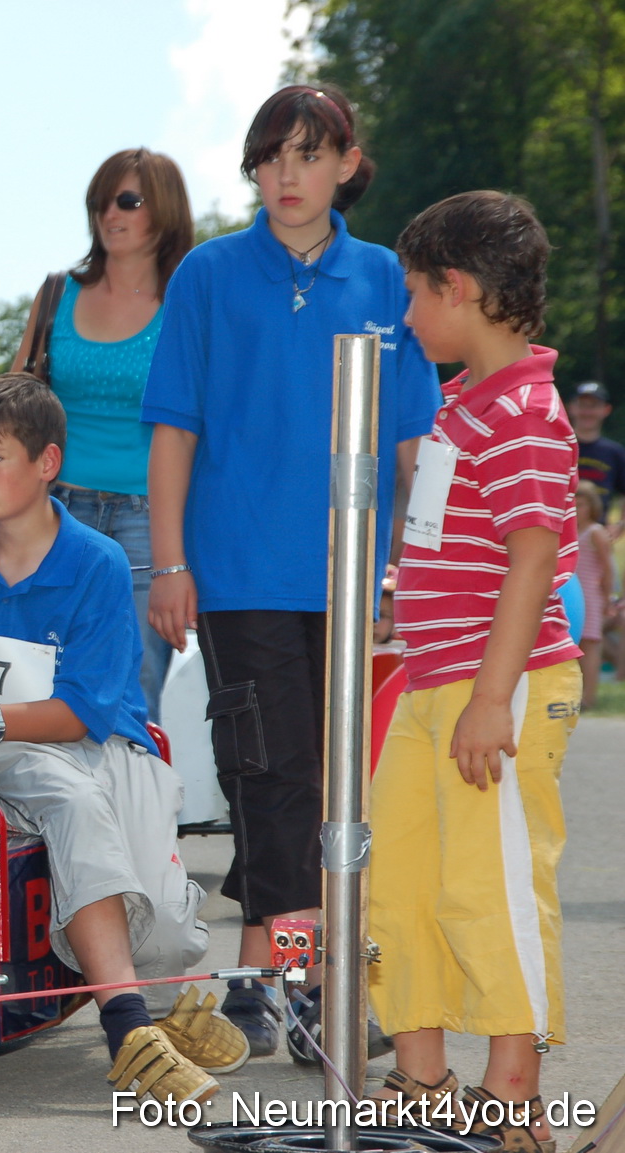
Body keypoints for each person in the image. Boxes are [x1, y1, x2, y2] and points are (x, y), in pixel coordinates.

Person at [142, 84, 441, 1059]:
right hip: (237, 575)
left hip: (353, 579)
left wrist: (422, 568)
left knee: (329, 788)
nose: (287, 174)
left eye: (309, 154)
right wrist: (170, 560)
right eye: (270, 156)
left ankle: (253, 979)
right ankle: (311, 991)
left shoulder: (388, 276)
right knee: (273, 778)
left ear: (348, 164)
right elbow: (172, 429)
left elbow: (416, 441)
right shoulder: (207, 274)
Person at [0, 374, 237, 1103]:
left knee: (165, 928)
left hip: (108, 741)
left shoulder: (98, 560)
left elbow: (85, 712)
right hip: (13, 752)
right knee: (74, 806)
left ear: (47, 462)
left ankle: (163, 999)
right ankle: (130, 1032)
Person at [368, 190, 582, 1153]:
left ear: (456, 287)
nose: (409, 315)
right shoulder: (463, 405)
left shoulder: (526, 414)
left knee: (489, 888)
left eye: (415, 292)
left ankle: (513, 1098)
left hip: (496, 688)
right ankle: (422, 1080)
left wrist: (493, 698)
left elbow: (535, 558)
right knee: (399, 876)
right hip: (432, 682)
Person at [9, 149, 193, 719]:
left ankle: (133, 782)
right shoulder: (57, 294)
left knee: (132, 691)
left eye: (128, 201)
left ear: (165, 208)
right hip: (52, 513)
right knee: (35, 680)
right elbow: (8, 413)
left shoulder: (188, 302)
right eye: (100, 202)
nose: (109, 214)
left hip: (149, 521)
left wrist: (181, 558)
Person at [573, 482, 613, 709]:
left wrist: (607, 598)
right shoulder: (570, 532)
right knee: (575, 644)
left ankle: (589, 697)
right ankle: (576, 694)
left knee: (590, 644)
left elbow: (607, 568)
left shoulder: (595, 532)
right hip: (573, 594)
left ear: (592, 507)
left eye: (581, 505)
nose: (577, 510)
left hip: (591, 593)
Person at [568, 382, 625, 518]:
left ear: (606, 410)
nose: (587, 412)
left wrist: (619, 524)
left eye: (594, 406)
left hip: (598, 526)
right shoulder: (561, 447)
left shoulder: (614, 452)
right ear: (571, 408)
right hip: (562, 526)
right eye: (582, 405)